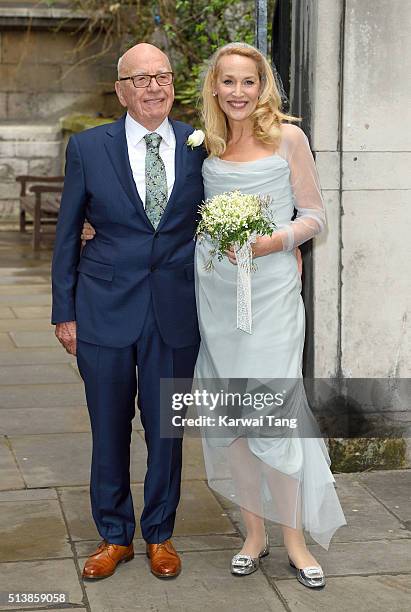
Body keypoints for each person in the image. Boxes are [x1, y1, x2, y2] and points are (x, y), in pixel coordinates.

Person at [81, 41, 346, 590]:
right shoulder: (206, 143)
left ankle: (294, 540)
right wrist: (98, 230)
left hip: (270, 297)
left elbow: (315, 215)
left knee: (272, 412)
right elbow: (172, 216)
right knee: (234, 420)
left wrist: (277, 241)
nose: (239, 92)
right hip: (215, 297)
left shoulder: (287, 138)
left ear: (262, 85)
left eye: (248, 81)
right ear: (214, 88)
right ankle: (254, 535)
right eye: (228, 82)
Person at [51, 43, 206, 581]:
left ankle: (160, 534)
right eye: (140, 79)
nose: (154, 87)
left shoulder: (199, 145)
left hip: (175, 310)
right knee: (109, 427)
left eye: (162, 76)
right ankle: (113, 536)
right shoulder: (88, 148)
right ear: (120, 90)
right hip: (103, 308)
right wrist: (63, 311)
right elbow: (68, 232)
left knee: (167, 430)